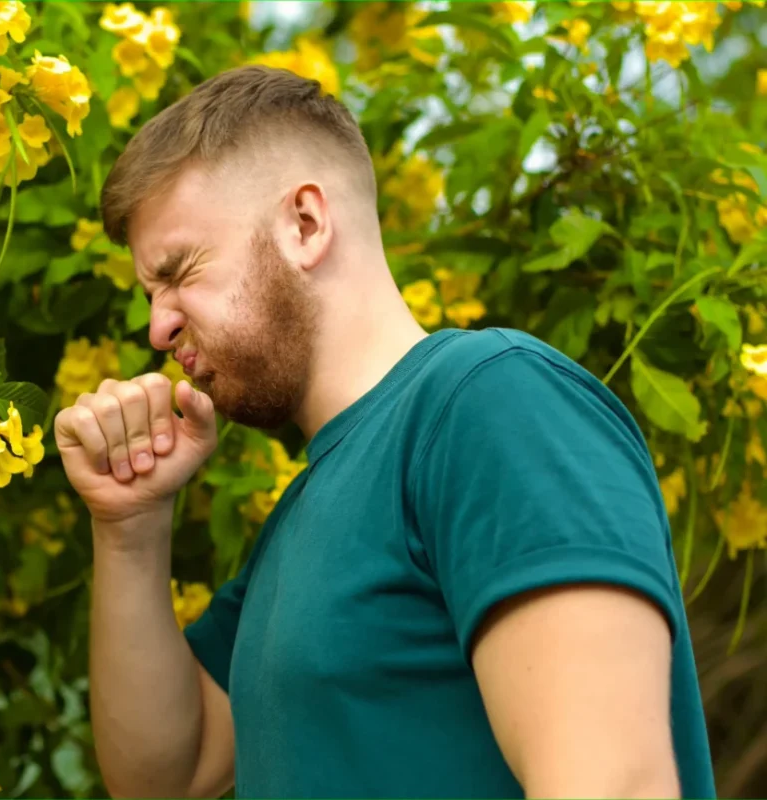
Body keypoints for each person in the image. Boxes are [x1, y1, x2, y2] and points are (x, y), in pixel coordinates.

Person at [52, 64, 715, 799]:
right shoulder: (302, 512)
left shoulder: (491, 402)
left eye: (180, 272)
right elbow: (167, 776)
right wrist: (130, 527)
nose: (158, 325)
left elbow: (614, 785)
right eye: (151, 294)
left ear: (305, 224)